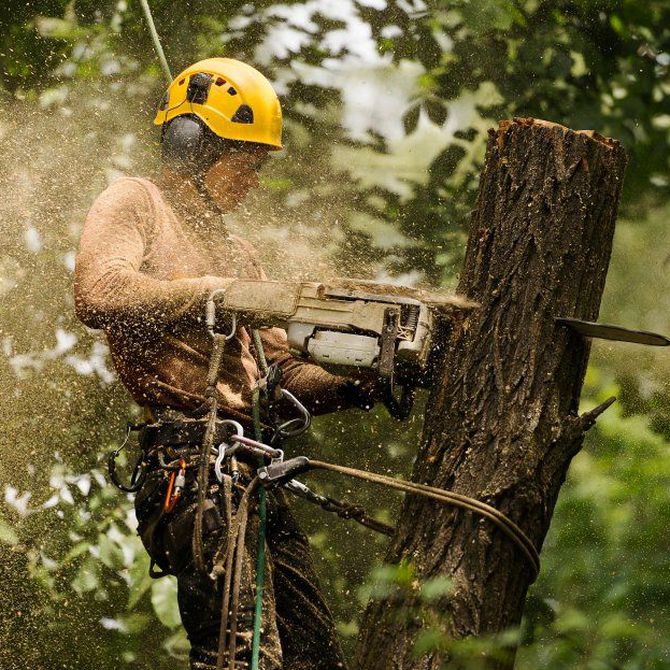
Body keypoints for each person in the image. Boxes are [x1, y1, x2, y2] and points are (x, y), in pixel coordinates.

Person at [74, 58, 378, 670]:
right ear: (194, 146)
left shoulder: (235, 248)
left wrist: (365, 380)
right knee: (243, 657)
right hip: (191, 464)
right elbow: (98, 291)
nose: (255, 183)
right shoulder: (139, 202)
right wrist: (211, 291)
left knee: (314, 655)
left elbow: (281, 374)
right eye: (248, 165)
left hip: (251, 467)